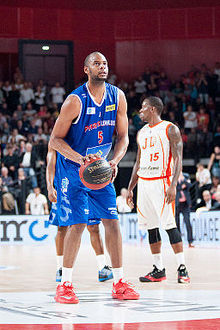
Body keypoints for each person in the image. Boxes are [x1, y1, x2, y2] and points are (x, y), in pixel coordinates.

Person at [49, 52, 139, 303]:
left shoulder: (117, 96)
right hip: (73, 169)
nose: (102, 67)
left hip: (101, 170)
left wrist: (114, 161)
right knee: (77, 224)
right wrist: (81, 160)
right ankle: (65, 285)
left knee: (112, 221)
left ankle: (119, 282)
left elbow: (123, 138)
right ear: (86, 70)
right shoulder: (75, 101)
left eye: (105, 64)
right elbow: (54, 140)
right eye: (97, 64)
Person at [127, 96, 190, 284]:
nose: (140, 111)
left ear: (153, 109)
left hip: (162, 183)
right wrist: (131, 188)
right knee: (151, 228)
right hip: (144, 184)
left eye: (143, 108)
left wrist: (173, 185)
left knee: (170, 226)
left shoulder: (170, 129)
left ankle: (182, 268)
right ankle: (158, 269)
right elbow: (138, 162)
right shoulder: (141, 132)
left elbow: (178, 158)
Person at [46, 147, 113, 282]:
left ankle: (102, 267)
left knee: (94, 226)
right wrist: (49, 185)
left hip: (88, 182)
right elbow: (50, 159)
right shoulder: (59, 134)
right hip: (64, 183)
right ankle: (60, 268)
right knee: (62, 227)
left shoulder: (88, 132)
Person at [175, 172, 194, 248]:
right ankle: (179, 242)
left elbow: (190, 186)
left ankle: (190, 241)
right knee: (177, 223)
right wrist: (181, 186)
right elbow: (174, 188)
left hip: (185, 204)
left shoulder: (185, 176)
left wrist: (184, 180)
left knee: (187, 222)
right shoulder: (173, 177)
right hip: (177, 204)